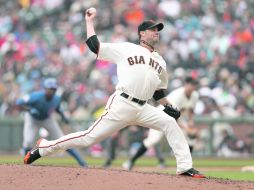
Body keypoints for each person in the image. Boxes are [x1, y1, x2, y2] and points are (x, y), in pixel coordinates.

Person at [23, 7, 205, 178]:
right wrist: (89, 21)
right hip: (122, 103)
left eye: (158, 29)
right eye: (152, 29)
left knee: (170, 123)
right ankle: (44, 148)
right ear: (142, 33)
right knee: (88, 138)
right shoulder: (127, 48)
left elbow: (158, 92)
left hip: (144, 108)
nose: (156, 31)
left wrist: (168, 106)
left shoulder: (160, 61)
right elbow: (95, 46)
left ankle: (184, 167)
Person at [122, 77, 200, 171]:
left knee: (190, 140)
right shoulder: (178, 95)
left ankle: (187, 166)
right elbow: (171, 113)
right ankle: (130, 162)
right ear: (186, 85)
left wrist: (190, 122)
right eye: (191, 84)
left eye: (194, 85)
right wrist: (186, 128)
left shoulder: (195, 95)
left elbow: (191, 109)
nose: (192, 87)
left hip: (176, 119)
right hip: (160, 116)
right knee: (153, 140)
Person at [16, 77, 87, 167]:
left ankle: (81, 162)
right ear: (45, 88)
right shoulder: (35, 96)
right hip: (32, 118)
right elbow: (18, 103)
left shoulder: (56, 99)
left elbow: (58, 109)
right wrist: (29, 109)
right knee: (28, 141)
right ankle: (26, 162)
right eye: (50, 89)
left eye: (54, 89)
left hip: (47, 119)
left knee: (63, 140)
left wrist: (63, 116)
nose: (52, 91)